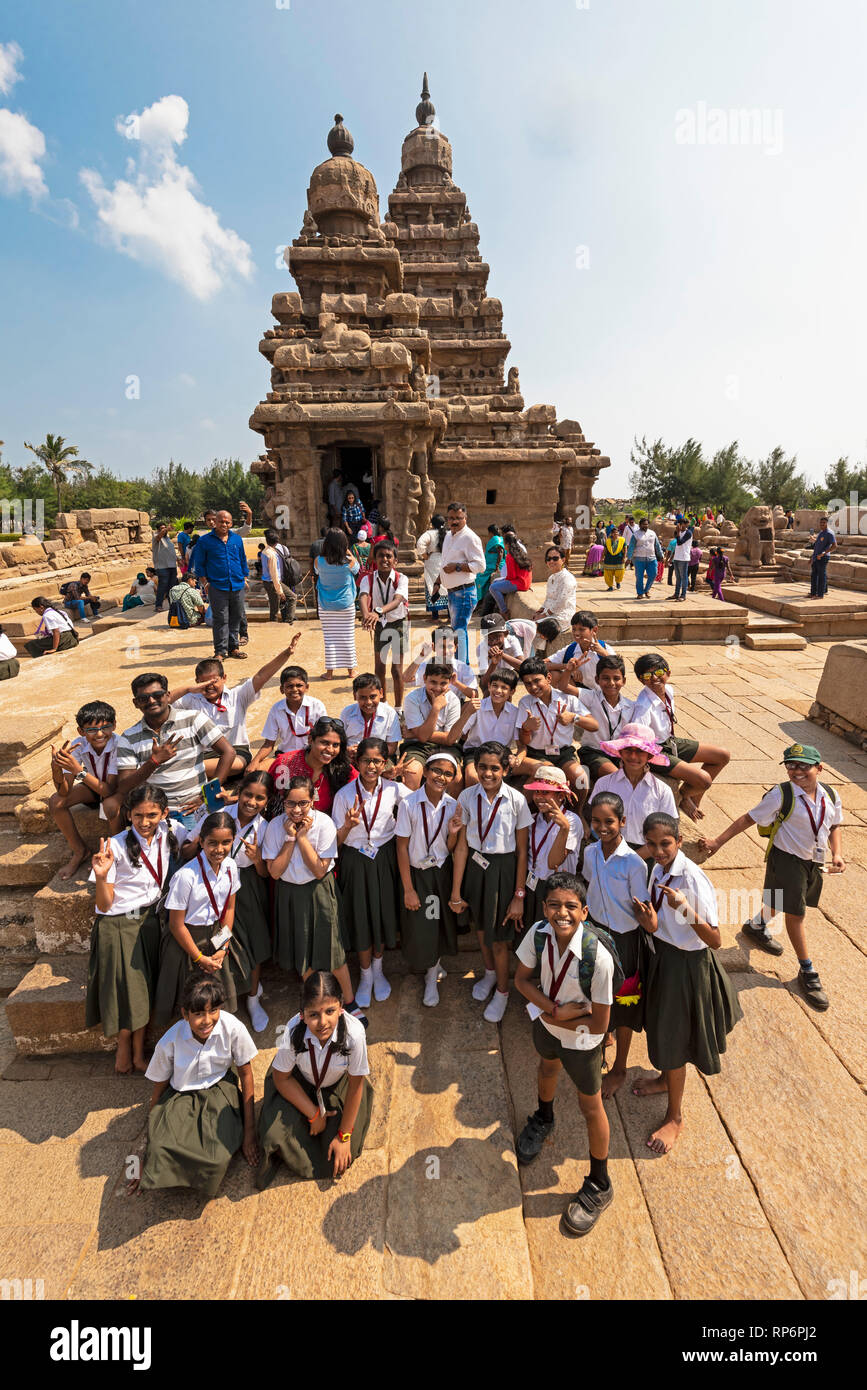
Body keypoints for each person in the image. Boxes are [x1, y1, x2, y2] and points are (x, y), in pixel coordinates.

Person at [699, 742, 843, 1011]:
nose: (796, 771)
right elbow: (748, 818)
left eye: (803, 766)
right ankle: (807, 970)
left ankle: (755, 926)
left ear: (819, 768)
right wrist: (718, 841)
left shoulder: (831, 795)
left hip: (815, 861)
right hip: (787, 859)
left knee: (782, 899)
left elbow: (834, 824)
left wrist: (837, 853)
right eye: (790, 765)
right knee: (796, 913)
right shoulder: (781, 795)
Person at [631, 813, 742, 1154]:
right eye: (652, 844)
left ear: (679, 842)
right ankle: (666, 1079)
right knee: (662, 1028)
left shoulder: (691, 880)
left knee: (674, 1037)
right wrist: (650, 922)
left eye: (666, 844)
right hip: (662, 956)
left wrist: (685, 910)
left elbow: (715, 940)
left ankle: (675, 1117)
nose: (659, 850)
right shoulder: (657, 869)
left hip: (685, 966)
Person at [513, 873, 615, 1236]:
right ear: (543, 908)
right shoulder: (538, 936)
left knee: (591, 1106)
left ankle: (600, 1182)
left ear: (584, 912)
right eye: (554, 905)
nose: (562, 913)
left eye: (571, 906)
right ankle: (543, 1117)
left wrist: (559, 1018)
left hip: (584, 1041)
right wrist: (552, 1012)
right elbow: (521, 980)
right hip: (550, 1025)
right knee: (545, 1069)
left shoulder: (597, 959)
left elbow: (600, 1024)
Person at [87, 784, 186, 1073]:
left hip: (152, 921)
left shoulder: (172, 832)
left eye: (152, 815)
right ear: (129, 815)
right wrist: (102, 876)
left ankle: (139, 1050)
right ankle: (124, 1046)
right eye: (138, 815)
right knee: (129, 991)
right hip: (119, 925)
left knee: (147, 987)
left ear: (164, 813)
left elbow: (200, 836)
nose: (145, 822)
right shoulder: (115, 846)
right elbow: (104, 905)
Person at [133, 974, 258, 1198]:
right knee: (162, 1147)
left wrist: (249, 1134)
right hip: (181, 1095)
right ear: (184, 1013)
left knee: (217, 1157)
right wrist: (147, 1150)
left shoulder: (233, 1028)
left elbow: (247, 1076)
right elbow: (159, 1088)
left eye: (213, 1011)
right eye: (198, 1013)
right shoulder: (170, 1040)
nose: (207, 1020)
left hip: (220, 1091)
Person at [257, 971, 373, 1186]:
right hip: (298, 1083)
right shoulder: (292, 1031)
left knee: (340, 1156)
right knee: (272, 1138)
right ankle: (311, 1121)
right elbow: (282, 1079)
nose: (322, 1022)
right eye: (313, 1015)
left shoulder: (355, 1035)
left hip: (339, 1086)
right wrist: (313, 1114)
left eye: (330, 1011)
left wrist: (344, 1137)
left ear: (341, 1007)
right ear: (302, 1014)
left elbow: (356, 1086)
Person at [261, 776, 361, 1015]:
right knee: (303, 952)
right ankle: (317, 1004)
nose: (296, 810)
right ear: (283, 803)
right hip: (290, 894)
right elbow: (274, 872)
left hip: (319, 892)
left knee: (333, 951)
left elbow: (318, 870)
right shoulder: (276, 826)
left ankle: (349, 1002)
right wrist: (290, 838)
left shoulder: (324, 823)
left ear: (313, 800)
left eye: (303, 803)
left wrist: (303, 837)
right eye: (291, 804)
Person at [449, 741, 532, 1022]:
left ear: (505, 770)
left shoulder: (517, 800)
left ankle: (503, 991)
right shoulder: (466, 797)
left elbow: (522, 852)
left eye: (494, 768)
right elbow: (461, 847)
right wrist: (456, 890)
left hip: (504, 870)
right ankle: (489, 973)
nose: (487, 773)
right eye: (482, 767)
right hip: (476, 865)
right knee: (482, 929)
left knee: (499, 939)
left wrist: (518, 894)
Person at [333, 737, 409, 1008]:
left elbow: (419, 804)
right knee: (362, 915)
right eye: (366, 760)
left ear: (385, 763)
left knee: (382, 912)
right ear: (357, 762)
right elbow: (336, 843)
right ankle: (365, 975)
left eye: (377, 761)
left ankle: (379, 968)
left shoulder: (394, 790)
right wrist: (347, 825)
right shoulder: (344, 795)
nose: (371, 766)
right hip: (355, 859)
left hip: (384, 857)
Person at [109, 672, 236, 831]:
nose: (152, 700)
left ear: (168, 695)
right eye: (144, 698)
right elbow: (124, 786)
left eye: (157, 695)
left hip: (196, 809)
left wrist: (208, 796)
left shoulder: (193, 719)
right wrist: (153, 762)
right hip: (157, 815)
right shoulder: (128, 737)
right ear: (136, 703)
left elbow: (228, 752)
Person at [582, 792, 648, 1096]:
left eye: (609, 821)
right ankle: (603, 1035)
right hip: (596, 933)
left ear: (622, 822)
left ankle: (620, 1067)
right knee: (599, 991)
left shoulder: (635, 864)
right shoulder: (590, 852)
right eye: (596, 821)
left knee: (625, 1002)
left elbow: (641, 907)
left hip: (624, 940)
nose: (602, 826)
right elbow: (588, 883)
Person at [154, 810, 246, 1022]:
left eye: (226, 842)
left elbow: (229, 910)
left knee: (215, 999)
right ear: (201, 842)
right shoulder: (185, 876)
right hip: (185, 942)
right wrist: (198, 957)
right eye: (212, 843)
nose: (219, 849)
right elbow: (177, 925)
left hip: (215, 936)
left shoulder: (231, 867)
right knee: (189, 1000)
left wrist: (222, 948)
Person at [167, 638, 300, 779]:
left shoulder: (238, 696)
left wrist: (286, 653)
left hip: (236, 753)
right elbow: (165, 702)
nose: (209, 686)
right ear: (196, 682)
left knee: (223, 765)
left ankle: (194, 773)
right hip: (205, 754)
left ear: (224, 678)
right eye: (203, 682)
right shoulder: (191, 699)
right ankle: (206, 776)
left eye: (214, 681)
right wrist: (188, 689)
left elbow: (262, 676)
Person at [395, 753, 463, 1006]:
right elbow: (401, 847)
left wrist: (454, 834)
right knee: (421, 924)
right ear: (425, 771)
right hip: (418, 874)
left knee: (435, 922)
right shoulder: (409, 803)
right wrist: (408, 889)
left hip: (439, 873)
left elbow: (449, 846)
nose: (441, 777)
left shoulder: (452, 805)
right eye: (436, 771)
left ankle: (432, 972)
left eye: (448, 773)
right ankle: (429, 967)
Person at [631, 653, 730, 819]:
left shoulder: (668, 690)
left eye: (659, 672)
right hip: (655, 752)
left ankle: (688, 797)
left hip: (671, 742)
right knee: (703, 780)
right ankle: (683, 796)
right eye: (648, 675)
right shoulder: (643, 706)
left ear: (668, 673)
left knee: (722, 755)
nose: (655, 678)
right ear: (642, 681)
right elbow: (637, 740)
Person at [220, 770, 273, 1033]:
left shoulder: (265, 827)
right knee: (223, 940)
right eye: (248, 795)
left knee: (253, 940)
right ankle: (229, 997)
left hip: (250, 885)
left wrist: (257, 859)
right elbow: (195, 842)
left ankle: (253, 998)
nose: (252, 802)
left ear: (267, 801)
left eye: (259, 798)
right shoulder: (221, 815)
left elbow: (265, 873)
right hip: (219, 884)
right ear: (239, 793)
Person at [50, 700, 119, 878]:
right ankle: (80, 851)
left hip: (115, 792)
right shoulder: (79, 744)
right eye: (91, 730)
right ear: (81, 731)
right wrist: (56, 770)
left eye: (106, 727)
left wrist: (78, 771)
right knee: (56, 802)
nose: (99, 734)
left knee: (111, 805)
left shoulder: (119, 744)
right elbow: (63, 792)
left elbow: (109, 791)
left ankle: (115, 854)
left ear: (114, 726)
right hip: (94, 788)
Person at [593, 724, 678, 853]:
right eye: (628, 750)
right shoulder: (604, 784)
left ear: (649, 755)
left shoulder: (662, 791)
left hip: (646, 854)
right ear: (620, 751)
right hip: (607, 849)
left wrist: (635, 858)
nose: (633, 756)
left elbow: (666, 831)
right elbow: (595, 823)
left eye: (639, 751)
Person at [515, 657, 597, 790]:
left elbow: (594, 725)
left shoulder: (567, 699)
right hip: (538, 753)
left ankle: (578, 811)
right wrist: (526, 728)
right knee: (550, 775)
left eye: (537, 681)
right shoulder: (525, 702)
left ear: (548, 678)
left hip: (564, 753)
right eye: (528, 684)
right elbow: (524, 742)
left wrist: (574, 718)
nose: (533, 687)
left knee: (581, 777)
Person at [522, 765, 583, 929]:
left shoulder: (571, 821)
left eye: (545, 792)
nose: (539, 797)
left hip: (558, 889)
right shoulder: (533, 820)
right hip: (532, 886)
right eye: (537, 792)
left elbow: (553, 862)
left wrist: (563, 829)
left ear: (561, 795)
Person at [269, 716, 357, 817]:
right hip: (281, 825)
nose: (330, 749)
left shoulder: (343, 769)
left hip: (322, 829)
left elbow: (362, 786)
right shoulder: (284, 763)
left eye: (336, 745)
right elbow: (265, 794)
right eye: (324, 743)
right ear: (310, 740)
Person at [189, 511, 249, 660]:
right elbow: (200, 564)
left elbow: (242, 559)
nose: (224, 524)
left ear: (231, 523)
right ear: (215, 522)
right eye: (221, 521)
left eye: (227, 522)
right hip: (217, 586)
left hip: (237, 584)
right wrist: (205, 582)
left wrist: (245, 577)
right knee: (221, 619)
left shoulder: (236, 539)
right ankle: (220, 651)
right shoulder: (205, 541)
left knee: (236, 617)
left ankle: (233, 648)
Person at [358, 541, 410, 707]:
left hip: (398, 624)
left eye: (389, 556)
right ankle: (383, 704)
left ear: (395, 561)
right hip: (380, 625)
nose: (385, 559)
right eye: (381, 556)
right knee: (379, 668)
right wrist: (367, 615)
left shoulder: (402, 578)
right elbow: (363, 596)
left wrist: (376, 612)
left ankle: (398, 708)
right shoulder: (368, 578)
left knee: (396, 670)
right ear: (375, 558)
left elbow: (397, 600)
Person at [251, 665, 327, 770]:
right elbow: (269, 743)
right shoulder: (276, 709)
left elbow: (325, 736)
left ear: (306, 687)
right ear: (282, 689)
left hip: (311, 756)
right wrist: (255, 761)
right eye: (289, 686)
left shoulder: (317, 706)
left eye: (299, 685)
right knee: (256, 771)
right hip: (285, 755)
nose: (295, 689)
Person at [452, 667, 520, 786]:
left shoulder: (515, 712)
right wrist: (467, 712)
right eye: (495, 685)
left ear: (512, 691)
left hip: (502, 754)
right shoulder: (478, 706)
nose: (498, 690)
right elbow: (458, 733)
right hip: (475, 751)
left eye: (504, 687)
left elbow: (521, 745)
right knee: (473, 776)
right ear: (489, 686)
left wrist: (517, 758)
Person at [439, 502, 485, 662]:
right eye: (451, 518)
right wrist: (439, 581)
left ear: (465, 518)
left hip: (464, 592)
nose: (455, 521)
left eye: (458, 518)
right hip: (452, 592)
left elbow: (480, 566)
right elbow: (445, 562)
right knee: (457, 631)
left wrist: (457, 567)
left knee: (459, 631)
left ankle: (462, 668)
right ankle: (460, 665)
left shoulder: (470, 537)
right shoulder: (448, 535)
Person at [315, 528, 360, 679]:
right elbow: (357, 570)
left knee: (329, 638)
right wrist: (349, 552)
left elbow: (316, 571)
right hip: (346, 605)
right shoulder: (349, 562)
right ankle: (351, 671)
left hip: (326, 605)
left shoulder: (319, 561)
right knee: (348, 637)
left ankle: (329, 673)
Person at [402, 661, 463, 762]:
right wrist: (436, 708)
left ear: (450, 681)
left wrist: (415, 734)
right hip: (417, 746)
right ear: (425, 678)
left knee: (455, 776)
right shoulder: (412, 698)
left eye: (443, 683)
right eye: (433, 682)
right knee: (412, 771)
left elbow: (450, 739)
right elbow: (423, 738)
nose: (437, 688)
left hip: (445, 747)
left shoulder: (454, 700)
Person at [339, 672, 401, 763]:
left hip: (379, 759)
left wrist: (369, 755)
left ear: (381, 693)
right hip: (351, 758)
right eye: (363, 697)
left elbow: (392, 747)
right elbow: (339, 740)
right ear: (355, 696)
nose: (368, 702)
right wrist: (347, 750)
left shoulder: (390, 714)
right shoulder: (347, 713)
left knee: (387, 771)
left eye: (372, 697)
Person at [405, 628, 479, 699]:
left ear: (455, 648)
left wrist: (456, 683)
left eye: (450, 646)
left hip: (456, 709)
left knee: (472, 705)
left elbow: (475, 695)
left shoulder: (463, 668)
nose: (446, 651)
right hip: (430, 706)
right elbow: (406, 679)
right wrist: (421, 656)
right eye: (441, 646)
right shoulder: (427, 665)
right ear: (433, 647)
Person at [534, 545, 577, 645]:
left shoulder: (567, 578)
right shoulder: (551, 577)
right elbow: (548, 599)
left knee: (533, 628)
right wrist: (540, 610)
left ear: (563, 559)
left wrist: (544, 614)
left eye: (555, 558)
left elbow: (561, 602)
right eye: (548, 559)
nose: (551, 561)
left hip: (562, 616)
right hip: (551, 613)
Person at [489, 531, 533, 615]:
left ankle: (504, 611)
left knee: (493, 587)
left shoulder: (510, 556)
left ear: (507, 544)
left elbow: (511, 576)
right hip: (525, 582)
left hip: (519, 583)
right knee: (496, 581)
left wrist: (504, 580)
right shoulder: (521, 552)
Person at [415, 512, 450, 618]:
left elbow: (420, 544)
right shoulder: (449, 533)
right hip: (446, 561)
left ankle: (435, 617)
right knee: (447, 587)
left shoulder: (429, 534)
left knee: (432, 586)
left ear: (432, 524)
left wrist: (425, 556)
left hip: (433, 561)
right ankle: (450, 616)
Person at [628, 518, 664, 600]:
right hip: (638, 559)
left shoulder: (652, 533)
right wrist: (629, 558)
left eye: (647, 524)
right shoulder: (635, 535)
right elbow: (631, 547)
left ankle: (647, 589)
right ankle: (640, 593)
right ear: (640, 525)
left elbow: (657, 546)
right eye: (643, 524)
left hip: (651, 558)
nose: (645, 526)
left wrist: (661, 555)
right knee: (639, 577)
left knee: (653, 574)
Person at [259, 528, 288, 622]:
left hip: (267, 581)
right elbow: (274, 574)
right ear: (276, 543)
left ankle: (276, 620)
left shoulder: (264, 551)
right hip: (272, 582)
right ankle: (276, 622)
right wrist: (280, 591)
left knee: (274, 604)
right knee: (275, 606)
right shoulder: (272, 554)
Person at [151, 523, 178, 613]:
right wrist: (166, 529)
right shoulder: (156, 537)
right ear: (158, 530)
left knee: (172, 587)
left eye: (165, 528)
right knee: (162, 586)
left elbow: (171, 552)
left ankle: (173, 604)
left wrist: (178, 560)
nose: (164, 530)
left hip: (172, 565)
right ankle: (158, 605)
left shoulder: (168, 539)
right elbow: (159, 536)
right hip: (162, 566)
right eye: (162, 529)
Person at [476, 523, 505, 604]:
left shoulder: (496, 539)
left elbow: (501, 552)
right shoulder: (499, 539)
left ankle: (479, 600)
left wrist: (497, 568)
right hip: (490, 565)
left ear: (491, 532)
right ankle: (481, 599)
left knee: (478, 577)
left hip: (493, 566)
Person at [808, 516, 837, 599]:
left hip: (823, 557)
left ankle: (820, 595)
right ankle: (813, 593)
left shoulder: (829, 533)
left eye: (824, 523)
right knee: (814, 576)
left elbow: (834, 546)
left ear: (827, 523)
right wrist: (812, 557)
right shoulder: (821, 532)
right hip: (816, 557)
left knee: (821, 576)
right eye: (821, 523)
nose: (822, 524)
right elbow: (817, 545)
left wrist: (824, 553)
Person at [667, 517, 693, 603]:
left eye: (684, 525)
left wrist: (678, 532)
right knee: (678, 577)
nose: (682, 526)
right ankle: (676, 594)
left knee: (684, 577)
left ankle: (683, 595)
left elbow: (679, 542)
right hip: (677, 557)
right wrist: (671, 558)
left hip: (684, 557)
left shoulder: (688, 533)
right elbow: (676, 546)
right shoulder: (678, 532)